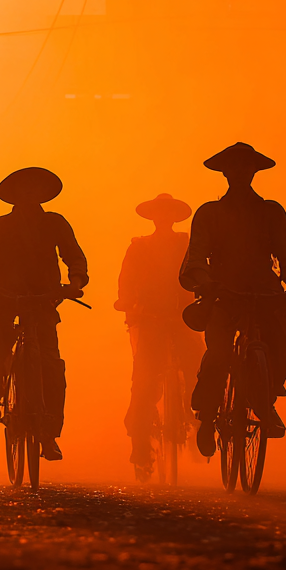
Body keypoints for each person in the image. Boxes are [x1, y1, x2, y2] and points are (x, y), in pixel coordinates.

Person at [180, 142, 286, 456]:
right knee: (219, 355)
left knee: (283, 346)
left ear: (253, 172)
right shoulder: (209, 213)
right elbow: (195, 258)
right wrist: (206, 282)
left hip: (266, 293)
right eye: (234, 168)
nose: (240, 174)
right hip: (223, 293)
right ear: (225, 173)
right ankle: (208, 416)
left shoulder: (272, 212)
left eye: (245, 168)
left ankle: (263, 398)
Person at [0, 167, 88, 461]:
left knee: (51, 366)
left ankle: (48, 434)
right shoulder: (0, 226)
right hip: (5, 297)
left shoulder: (55, 223)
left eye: (34, 190)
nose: (29, 195)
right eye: (24, 190)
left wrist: (76, 281)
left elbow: (74, 255)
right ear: (15, 196)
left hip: (44, 300)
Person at [115, 193, 204, 480]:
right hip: (150, 319)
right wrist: (126, 301)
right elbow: (126, 280)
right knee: (142, 385)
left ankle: (200, 419)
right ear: (153, 217)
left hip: (184, 318)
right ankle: (141, 450)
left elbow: (202, 273)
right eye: (159, 213)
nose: (163, 218)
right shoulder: (139, 247)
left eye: (168, 214)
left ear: (174, 218)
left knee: (197, 371)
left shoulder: (187, 244)